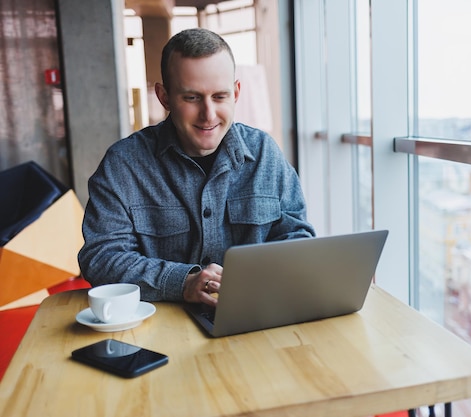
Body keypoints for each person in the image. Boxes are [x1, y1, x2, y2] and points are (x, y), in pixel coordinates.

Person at [78, 28, 315, 307]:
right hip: (159, 324)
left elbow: (296, 237)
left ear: (236, 93)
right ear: (164, 97)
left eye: (220, 96)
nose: (209, 115)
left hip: (252, 315)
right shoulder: (123, 164)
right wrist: (183, 282)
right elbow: (101, 257)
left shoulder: (265, 153)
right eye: (191, 98)